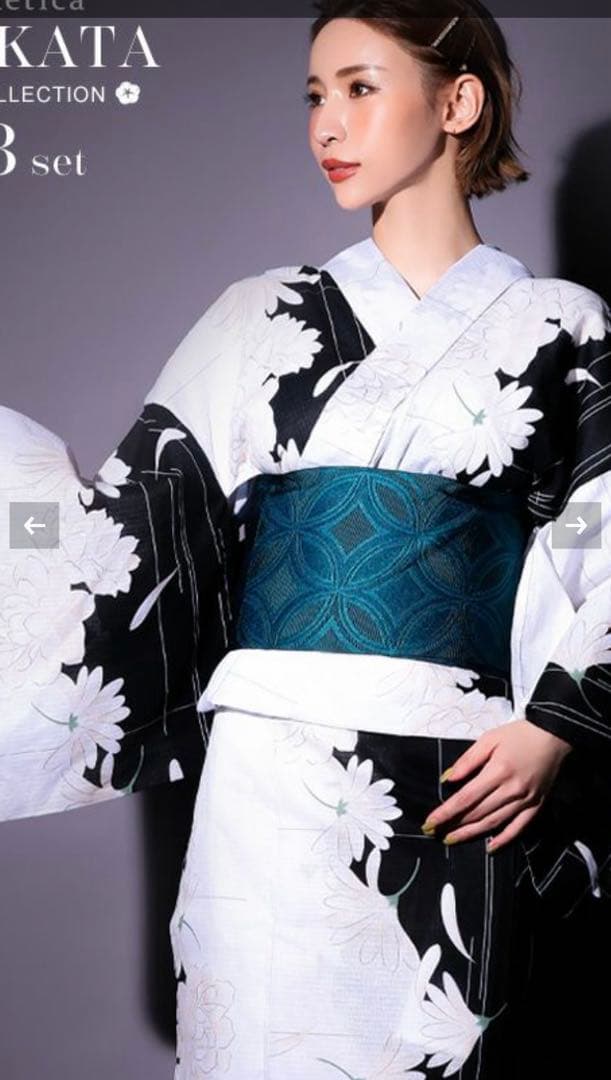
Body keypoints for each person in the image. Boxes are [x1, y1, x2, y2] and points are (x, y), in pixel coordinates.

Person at [1, 1, 609, 1076]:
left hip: (462, 769)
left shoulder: (562, 326)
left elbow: (601, 528)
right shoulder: (257, 317)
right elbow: (123, 532)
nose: (327, 122)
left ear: (457, 102)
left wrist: (552, 728)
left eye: (361, 88)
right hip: (268, 775)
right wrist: (19, 506)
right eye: (315, 96)